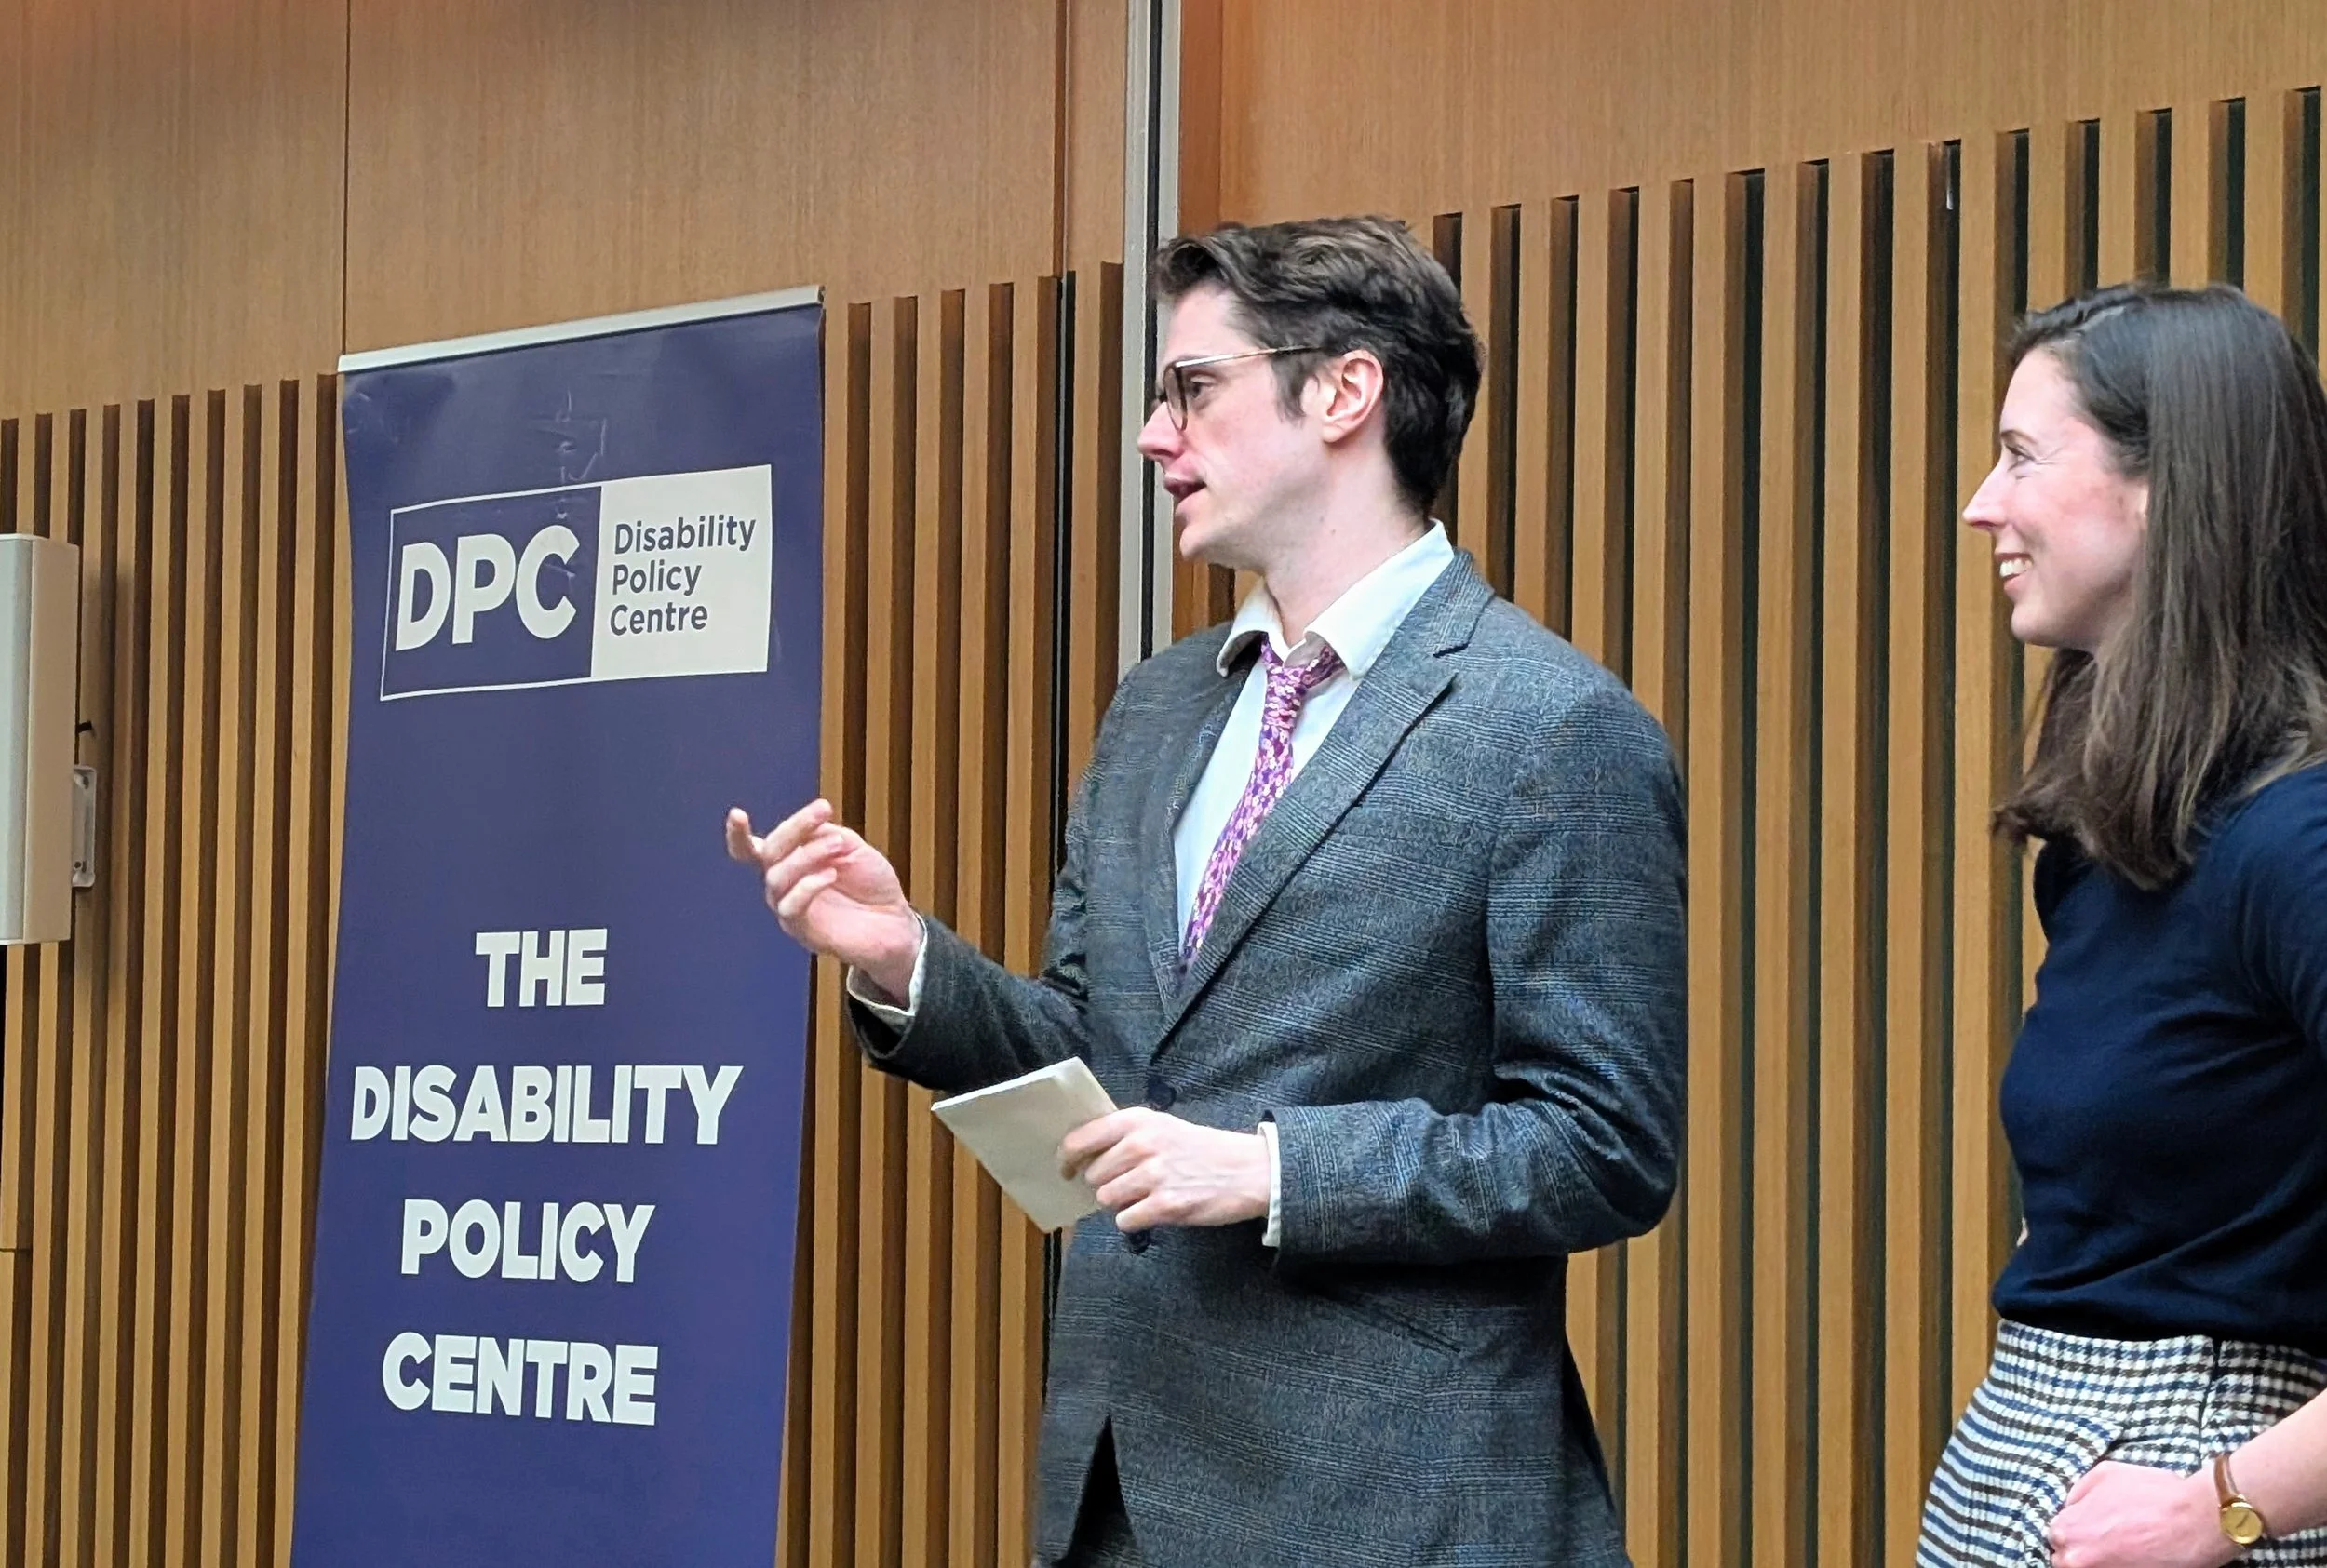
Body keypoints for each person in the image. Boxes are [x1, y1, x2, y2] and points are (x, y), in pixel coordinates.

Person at [729, 216, 1686, 1568]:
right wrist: (904, 963)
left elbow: (1603, 1148)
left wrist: (1276, 1169)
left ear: (1344, 392)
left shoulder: (1554, 729)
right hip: (1117, 1482)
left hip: (1390, 1510)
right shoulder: (1161, 708)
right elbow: (1102, 1063)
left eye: (1192, 390)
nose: (1150, 436)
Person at [1923, 282, 2327, 1567]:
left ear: (2168, 491)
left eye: (2023, 459)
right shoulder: (2114, 847)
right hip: (2037, 1458)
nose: (1983, 505)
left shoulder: (2296, 846)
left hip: (2192, 1484)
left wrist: (2225, 1501)